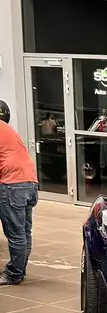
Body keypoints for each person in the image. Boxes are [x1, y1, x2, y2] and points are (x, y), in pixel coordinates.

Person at [0, 101, 39, 286]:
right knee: (23, 231)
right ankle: (19, 270)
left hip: (12, 185)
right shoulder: (7, 130)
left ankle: (14, 274)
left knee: (16, 233)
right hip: (30, 182)